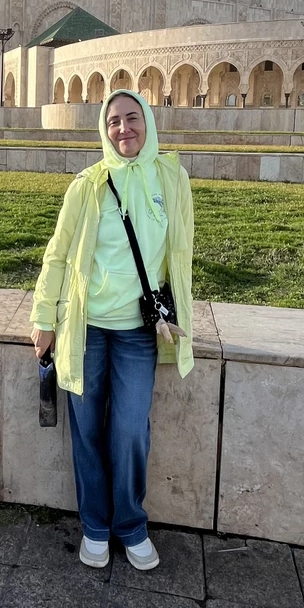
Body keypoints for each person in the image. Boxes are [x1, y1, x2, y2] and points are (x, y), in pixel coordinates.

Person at [30, 88, 195, 570]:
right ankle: (96, 527)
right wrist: (44, 318)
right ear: (103, 131)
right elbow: (58, 254)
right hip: (86, 327)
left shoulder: (173, 178)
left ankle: (131, 523)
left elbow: (179, 256)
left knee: (128, 430)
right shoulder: (88, 184)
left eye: (132, 118)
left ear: (148, 122)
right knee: (86, 430)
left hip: (138, 332)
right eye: (113, 122)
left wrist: (174, 312)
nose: (124, 129)